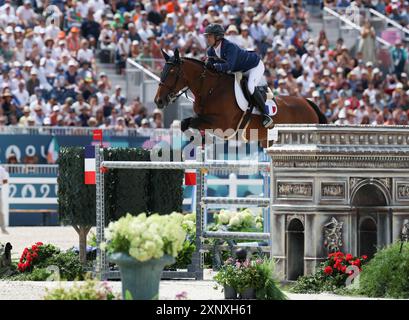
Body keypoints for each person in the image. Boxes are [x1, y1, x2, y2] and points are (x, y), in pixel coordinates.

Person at [203, 23, 273, 128]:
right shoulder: (210, 51)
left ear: (217, 37)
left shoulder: (229, 47)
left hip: (254, 66)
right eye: (206, 36)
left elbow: (229, 66)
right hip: (240, 69)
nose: (207, 38)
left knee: (250, 86)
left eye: (209, 36)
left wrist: (215, 66)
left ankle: (265, 114)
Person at [0, 164, 9, 234]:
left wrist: (0, 183)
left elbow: (5, 180)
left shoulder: (1, 169)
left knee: (0, 211)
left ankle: (3, 229)